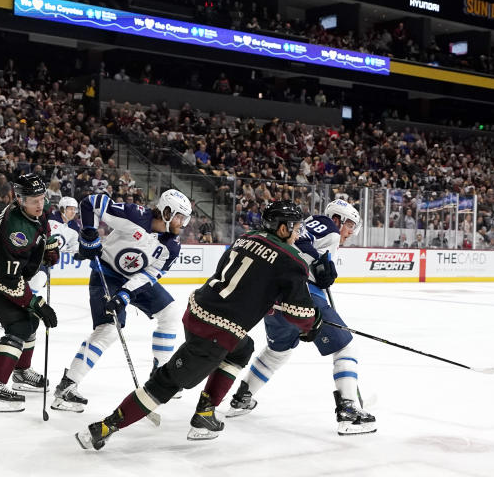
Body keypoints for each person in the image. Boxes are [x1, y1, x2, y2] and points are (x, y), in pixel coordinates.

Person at [75, 200, 322, 450]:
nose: (298, 233)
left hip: (197, 311)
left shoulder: (246, 238)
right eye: (296, 227)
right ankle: (104, 427)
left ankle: (206, 412)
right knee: (165, 384)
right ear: (282, 228)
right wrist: (312, 324)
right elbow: (299, 314)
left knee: (243, 348)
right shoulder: (292, 261)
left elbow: (247, 281)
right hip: (217, 332)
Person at [227, 198, 376, 435]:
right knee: (346, 348)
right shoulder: (326, 224)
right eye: (349, 225)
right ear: (338, 218)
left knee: (277, 352)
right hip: (302, 296)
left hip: (275, 302)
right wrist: (317, 261)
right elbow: (300, 244)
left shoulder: (314, 230)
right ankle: (348, 411)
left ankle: (242, 397)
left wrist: (319, 264)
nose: (349, 232)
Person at [51, 189, 191, 413]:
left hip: (133, 281)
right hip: (105, 273)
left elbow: (150, 275)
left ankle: (160, 373)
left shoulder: (171, 246)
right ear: (166, 211)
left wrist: (126, 294)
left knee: (171, 312)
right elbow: (91, 202)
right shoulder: (135, 216)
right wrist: (89, 233)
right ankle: (67, 386)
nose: (182, 223)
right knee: (107, 330)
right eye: (179, 216)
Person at [0, 173, 60, 413]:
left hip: (1, 272)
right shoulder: (16, 231)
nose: (40, 204)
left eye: (42, 197)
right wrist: (36, 303)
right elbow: (8, 281)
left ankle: (20, 372)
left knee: (31, 322)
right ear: (19, 199)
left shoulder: (36, 207)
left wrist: (48, 246)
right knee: (19, 325)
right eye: (33, 200)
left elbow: (44, 222)